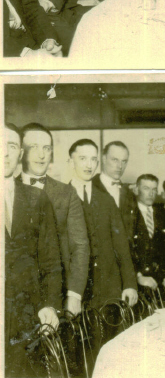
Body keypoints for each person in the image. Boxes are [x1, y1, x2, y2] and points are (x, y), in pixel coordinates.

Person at [5, 123, 62, 378]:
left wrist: (49, 304)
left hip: (26, 321)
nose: (4, 153)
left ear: (20, 153)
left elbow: (51, 261)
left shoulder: (36, 198)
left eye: (12, 146)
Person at [20, 123, 89, 317]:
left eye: (47, 148)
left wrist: (75, 294)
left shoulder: (66, 193)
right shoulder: (6, 189)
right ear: (20, 152)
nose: (41, 155)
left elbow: (80, 245)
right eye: (33, 147)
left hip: (58, 293)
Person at [68, 138, 138, 309]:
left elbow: (121, 245)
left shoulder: (106, 199)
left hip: (108, 287)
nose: (88, 165)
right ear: (71, 162)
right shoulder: (60, 197)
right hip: (74, 291)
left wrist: (129, 284)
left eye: (93, 159)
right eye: (83, 159)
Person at [131, 174, 165, 295]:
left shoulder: (162, 213)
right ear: (136, 190)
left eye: (154, 189)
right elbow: (127, 250)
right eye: (146, 188)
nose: (151, 193)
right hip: (137, 282)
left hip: (158, 283)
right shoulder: (129, 214)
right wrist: (138, 276)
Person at [92, 141, 137, 243]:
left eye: (124, 161)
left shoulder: (130, 194)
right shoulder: (89, 188)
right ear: (104, 159)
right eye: (115, 160)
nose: (120, 166)